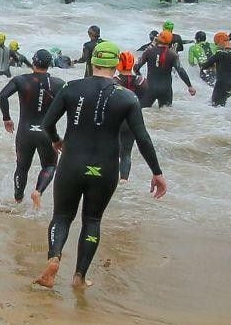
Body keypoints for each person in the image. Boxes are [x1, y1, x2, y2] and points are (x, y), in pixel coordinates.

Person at [34, 43, 166, 289]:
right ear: (116, 65)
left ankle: (54, 258)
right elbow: (143, 138)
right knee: (92, 220)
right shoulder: (127, 97)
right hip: (104, 168)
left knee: (62, 216)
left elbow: (47, 123)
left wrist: (56, 141)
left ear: (92, 62)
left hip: (72, 163)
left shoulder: (70, 88)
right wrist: (156, 173)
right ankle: (79, 277)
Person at [0, 50, 63, 207]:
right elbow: (67, 105)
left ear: (33, 62)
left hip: (25, 132)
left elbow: (2, 96)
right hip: (46, 133)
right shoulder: (59, 84)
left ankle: (17, 200)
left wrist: (6, 118)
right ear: (49, 65)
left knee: (21, 167)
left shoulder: (21, 80)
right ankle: (38, 192)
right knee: (49, 166)